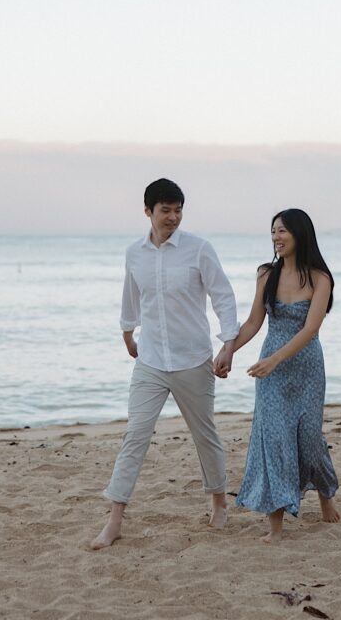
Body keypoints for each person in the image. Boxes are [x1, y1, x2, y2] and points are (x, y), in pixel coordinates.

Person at [91, 178, 239, 549]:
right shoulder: (134, 253)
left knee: (204, 435)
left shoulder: (199, 250)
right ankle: (115, 520)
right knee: (135, 435)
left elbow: (223, 296)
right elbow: (131, 296)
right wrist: (128, 333)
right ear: (148, 212)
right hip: (151, 361)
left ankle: (219, 502)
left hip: (193, 360)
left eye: (178, 210)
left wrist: (229, 344)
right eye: (165, 210)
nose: (173, 217)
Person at [214, 208, 339, 543]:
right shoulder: (266, 273)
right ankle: (276, 527)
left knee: (310, 440)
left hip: (306, 368)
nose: (276, 238)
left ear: (300, 234)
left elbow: (311, 329)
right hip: (270, 373)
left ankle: (326, 493)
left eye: (282, 231)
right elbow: (255, 322)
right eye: (273, 232)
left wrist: (275, 359)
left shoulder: (319, 278)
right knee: (275, 442)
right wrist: (229, 350)